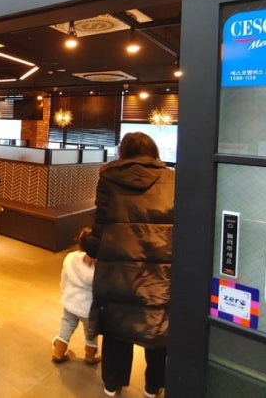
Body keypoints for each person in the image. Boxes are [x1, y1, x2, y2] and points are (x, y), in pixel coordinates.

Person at [81, 132, 174, 398]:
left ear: (123, 152)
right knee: (157, 327)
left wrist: (90, 247)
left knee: (116, 327)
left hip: (117, 269)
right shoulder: (172, 179)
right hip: (159, 270)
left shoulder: (108, 176)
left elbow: (100, 223)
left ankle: (112, 385)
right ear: (153, 151)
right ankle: (153, 387)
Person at [51, 226, 101, 365]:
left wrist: (64, 292)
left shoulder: (70, 258)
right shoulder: (100, 266)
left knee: (67, 323)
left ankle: (59, 351)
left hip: (71, 302)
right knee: (90, 331)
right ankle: (91, 355)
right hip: (89, 308)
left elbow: (64, 278)